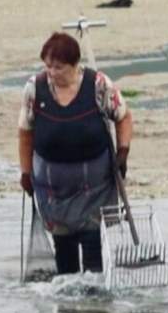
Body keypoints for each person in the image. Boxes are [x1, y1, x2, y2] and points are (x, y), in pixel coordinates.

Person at [18, 32, 132, 274]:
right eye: (48, 66)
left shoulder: (99, 85)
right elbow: (25, 131)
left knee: (93, 253)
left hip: (95, 189)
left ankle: (93, 308)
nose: (51, 72)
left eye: (58, 67)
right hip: (54, 191)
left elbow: (123, 117)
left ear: (74, 65)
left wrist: (123, 151)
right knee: (65, 255)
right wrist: (26, 172)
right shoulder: (34, 89)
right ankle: (68, 309)